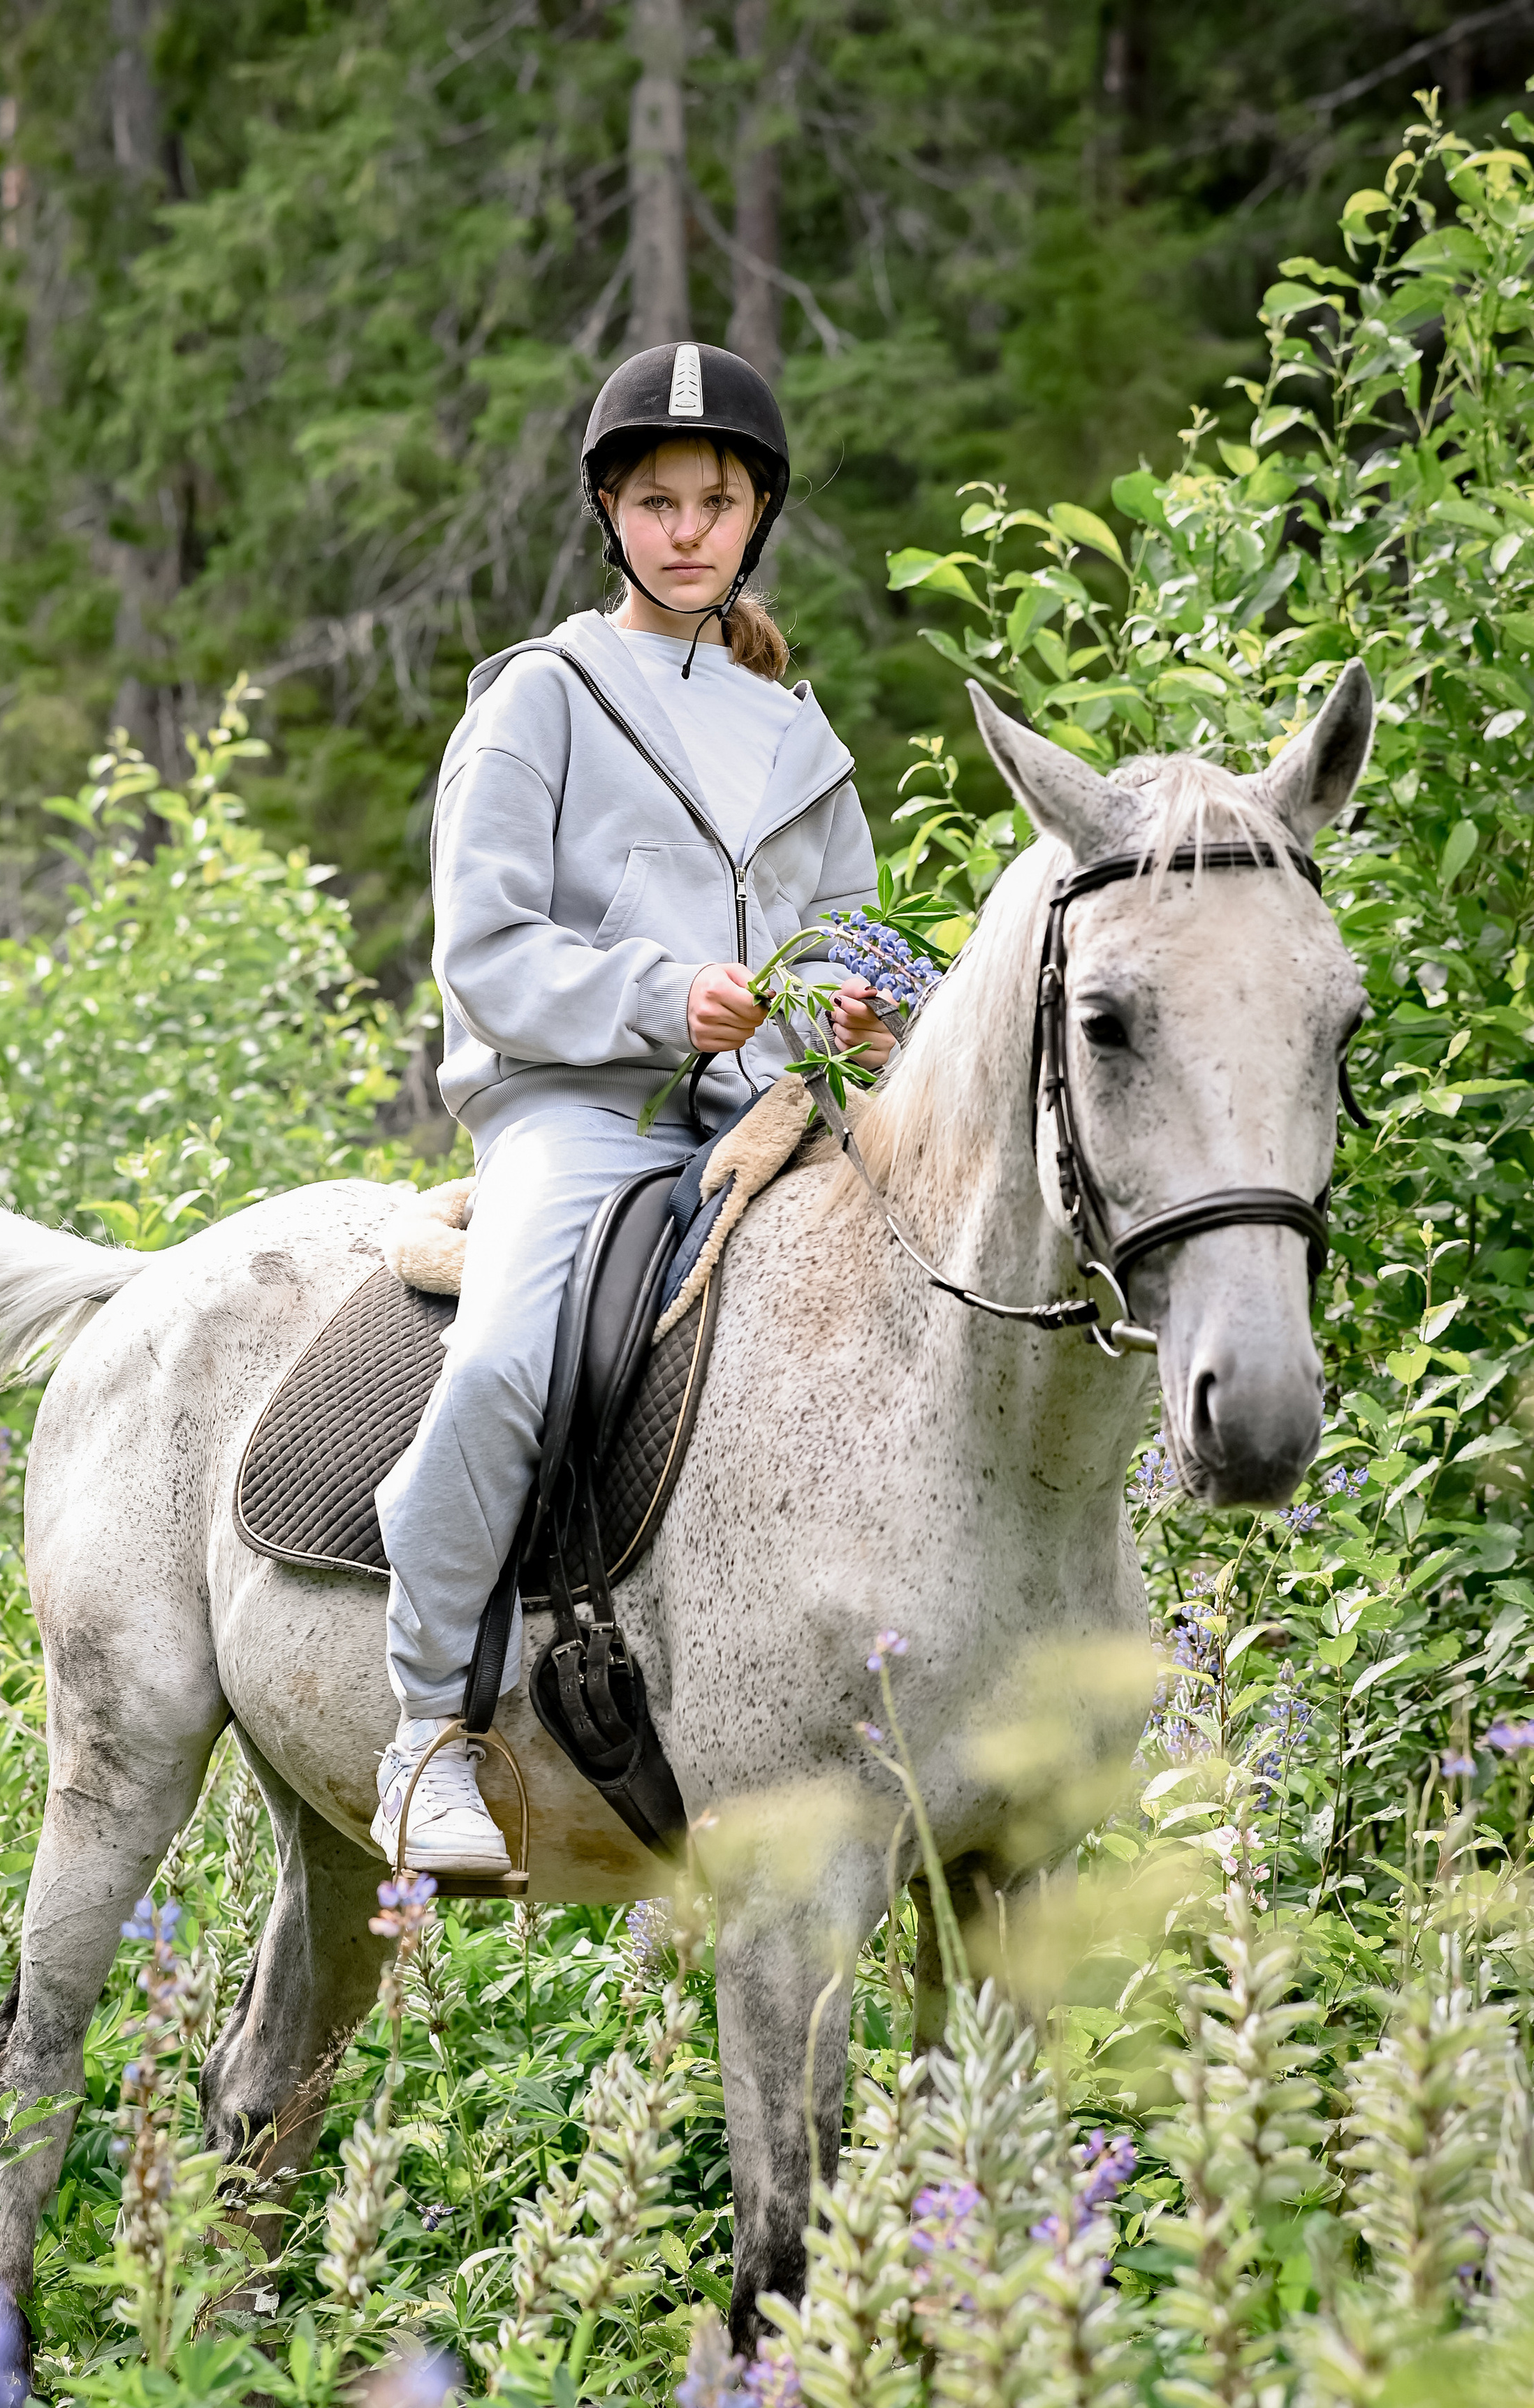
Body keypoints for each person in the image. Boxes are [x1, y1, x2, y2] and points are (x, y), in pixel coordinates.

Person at [372, 339, 890, 1872]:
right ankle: (425, 1740)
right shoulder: (538, 699)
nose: (684, 530)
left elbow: (841, 940)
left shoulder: (802, 741)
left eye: (712, 502)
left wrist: (847, 1012)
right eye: (653, 501)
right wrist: (661, 996)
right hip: (581, 1113)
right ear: (610, 512)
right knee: (504, 1365)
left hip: (769, 1121)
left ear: (755, 517)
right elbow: (483, 949)